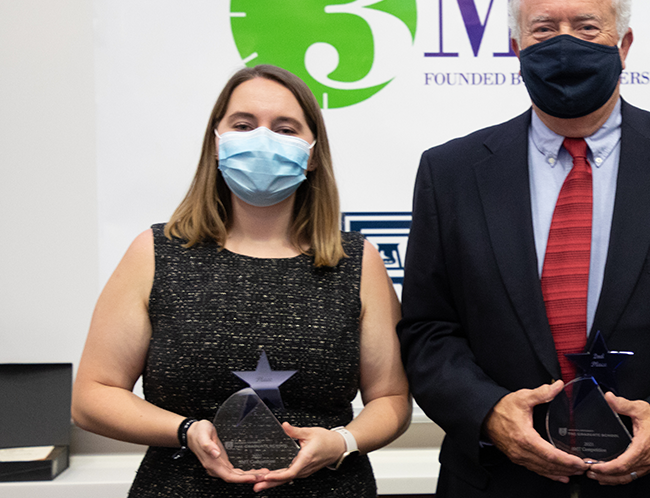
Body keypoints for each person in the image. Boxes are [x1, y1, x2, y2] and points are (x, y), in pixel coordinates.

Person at [397, 0, 650, 497]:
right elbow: (427, 330)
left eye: (587, 26)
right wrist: (489, 412)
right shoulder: (451, 172)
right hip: (499, 482)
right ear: (516, 47)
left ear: (624, 44)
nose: (565, 42)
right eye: (544, 28)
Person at [72, 65, 411, 497]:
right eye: (244, 125)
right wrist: (186, 431)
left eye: (285, 128)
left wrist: (343, 442)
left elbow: (392, 400)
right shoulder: (155, 253)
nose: (263, 139)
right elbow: (92, 397)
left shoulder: (356, 262)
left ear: (311, 154)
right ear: (217, 143)